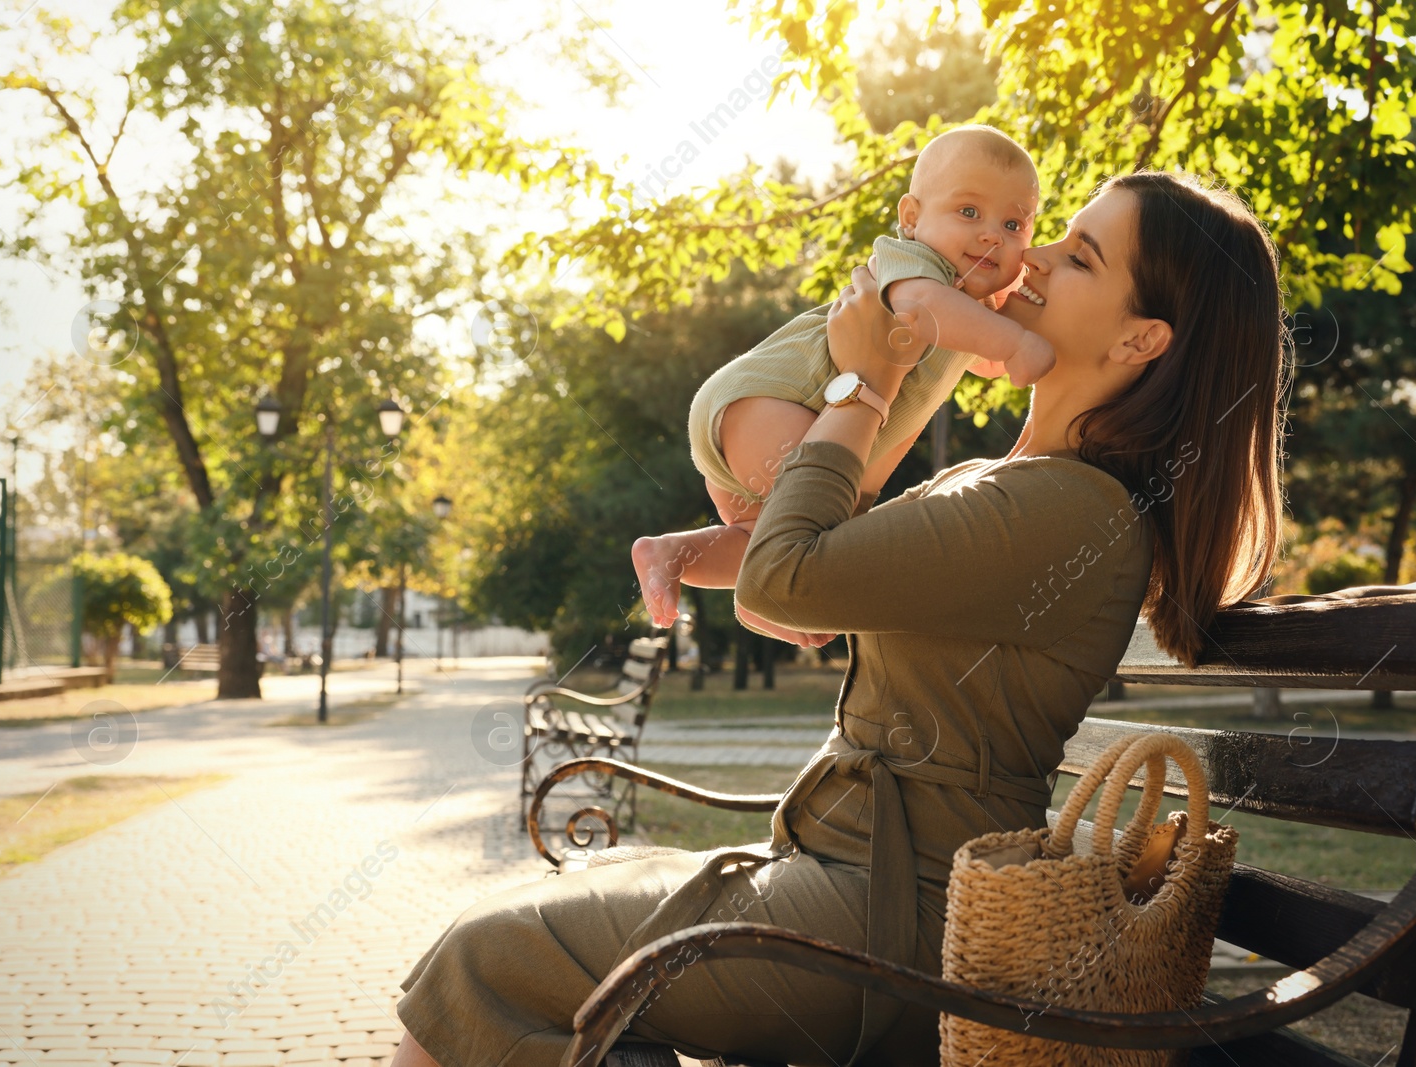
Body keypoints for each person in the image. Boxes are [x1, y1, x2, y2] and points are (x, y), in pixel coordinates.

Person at [390, 171, 1289, 1067]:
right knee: (522, 963)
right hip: (847, 881)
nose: (1037, 256)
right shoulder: (1019, 486)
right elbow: (822, 553)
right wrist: (702, 542)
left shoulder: (1073, 511)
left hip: (901, 927)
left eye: (1081, 255)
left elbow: (788, 579)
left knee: (486, 959)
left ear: (1143, 337)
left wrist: (867, 379)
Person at [632, 125, 1055, 647]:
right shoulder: (918, 269)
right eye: (969, 212)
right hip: (777, 404)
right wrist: (1014, 342)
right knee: (821, 537)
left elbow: (981, 358)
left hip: (764, 435)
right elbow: (926, 309)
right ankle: (770, 596)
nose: (991, 233)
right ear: (911, 217)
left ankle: (678, 555)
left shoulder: (970, 315)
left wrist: (1018, 337)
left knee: (773, 539)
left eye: (1013, 224)